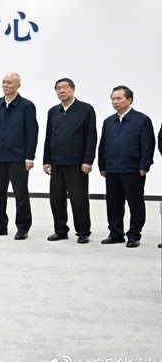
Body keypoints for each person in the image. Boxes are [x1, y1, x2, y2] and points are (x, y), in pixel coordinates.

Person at [97, 86, 155, 248]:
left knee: (135, 204)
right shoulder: (109, 121)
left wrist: (144, 165)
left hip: (133, 170)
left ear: (129, 99)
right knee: (113, 204)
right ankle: (116, 233)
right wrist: (102, 165)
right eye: (112, 98)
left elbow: (148, 145)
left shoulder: (142, 120)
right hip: (112, 169)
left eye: (118, 98)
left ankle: (134, 235)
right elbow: (102, 145)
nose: (114, 102)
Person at [41, 78, 97, 244]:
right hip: (56, 162)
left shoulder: (86, 109)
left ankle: (83, 232)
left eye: (65, 87)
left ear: (73, 89)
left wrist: (88, 160)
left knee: (79, 200)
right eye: (58, 88)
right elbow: (48, 136)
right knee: (56, 199)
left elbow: (91, 137)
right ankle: (60, 230)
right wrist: (46, 160)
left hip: (77, 163)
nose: (61, 91)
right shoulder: (53, 111)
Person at [0, 73, 38, 240]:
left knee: (21, 194)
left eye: (9, 82)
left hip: (18, 158)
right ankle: (0, 225)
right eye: (3, 82)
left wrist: (29, 158)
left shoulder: (26, 106)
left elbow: (32, 133)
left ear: (18, 86)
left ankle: (23, 227)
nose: (5, 85)